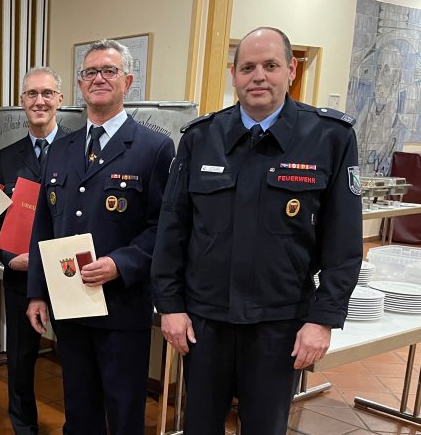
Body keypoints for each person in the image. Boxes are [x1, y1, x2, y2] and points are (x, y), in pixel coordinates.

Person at [151, 26, 362, 434]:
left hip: (279, 323)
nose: (258, 76)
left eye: (270, 65)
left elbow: (344, 241)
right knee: (200, 426)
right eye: (247, 67)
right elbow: (172, 230)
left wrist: (323, 319)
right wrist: (170, 307)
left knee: (266, 427)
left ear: (291, 70)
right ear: (234, 74)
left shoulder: (329, 137)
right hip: (205, 321)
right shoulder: (201, 137)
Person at [25, 39, 174, 434]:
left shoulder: (154, 148)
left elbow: (165, 226)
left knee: (124, 409)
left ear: (127, 81)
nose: (99, 79)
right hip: (70, 303)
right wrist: (38, 292)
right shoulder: (62, 148)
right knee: (79, 403)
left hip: (121, 304)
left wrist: (121, 263)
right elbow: (44, 225)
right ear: (79, 84)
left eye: (109, 71)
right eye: (90, 72)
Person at [0, 66, 64, 435]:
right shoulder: (6, 156)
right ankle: (24, 427)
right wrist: (6, 257)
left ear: (60, 101)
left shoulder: (79, 147)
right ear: (22, 102)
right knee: (20, 360)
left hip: (68, 274)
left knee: (76, 358)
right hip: (20, 272)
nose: (39, 101)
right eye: (32, 94)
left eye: (47, 93)